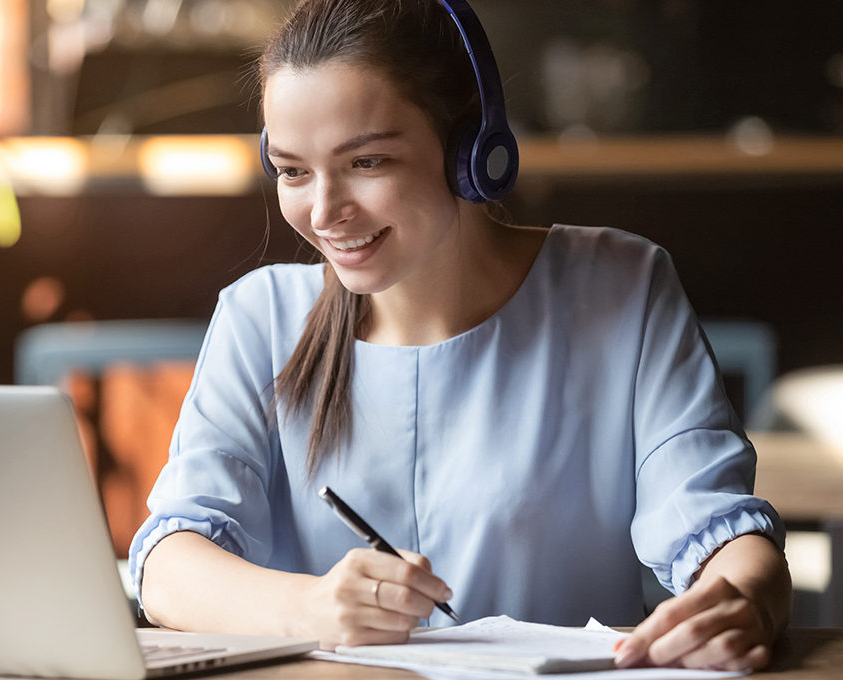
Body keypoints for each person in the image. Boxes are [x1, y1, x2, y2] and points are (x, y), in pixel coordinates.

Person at [130, 0, 792, 671]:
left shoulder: (621, 286)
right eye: (294, 170)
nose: (324, 212)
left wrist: (745, 599)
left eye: (367, 162)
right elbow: (167, 566)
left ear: (471, 148)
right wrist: (314, 610)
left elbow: (714, 526)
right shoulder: (260, 316)